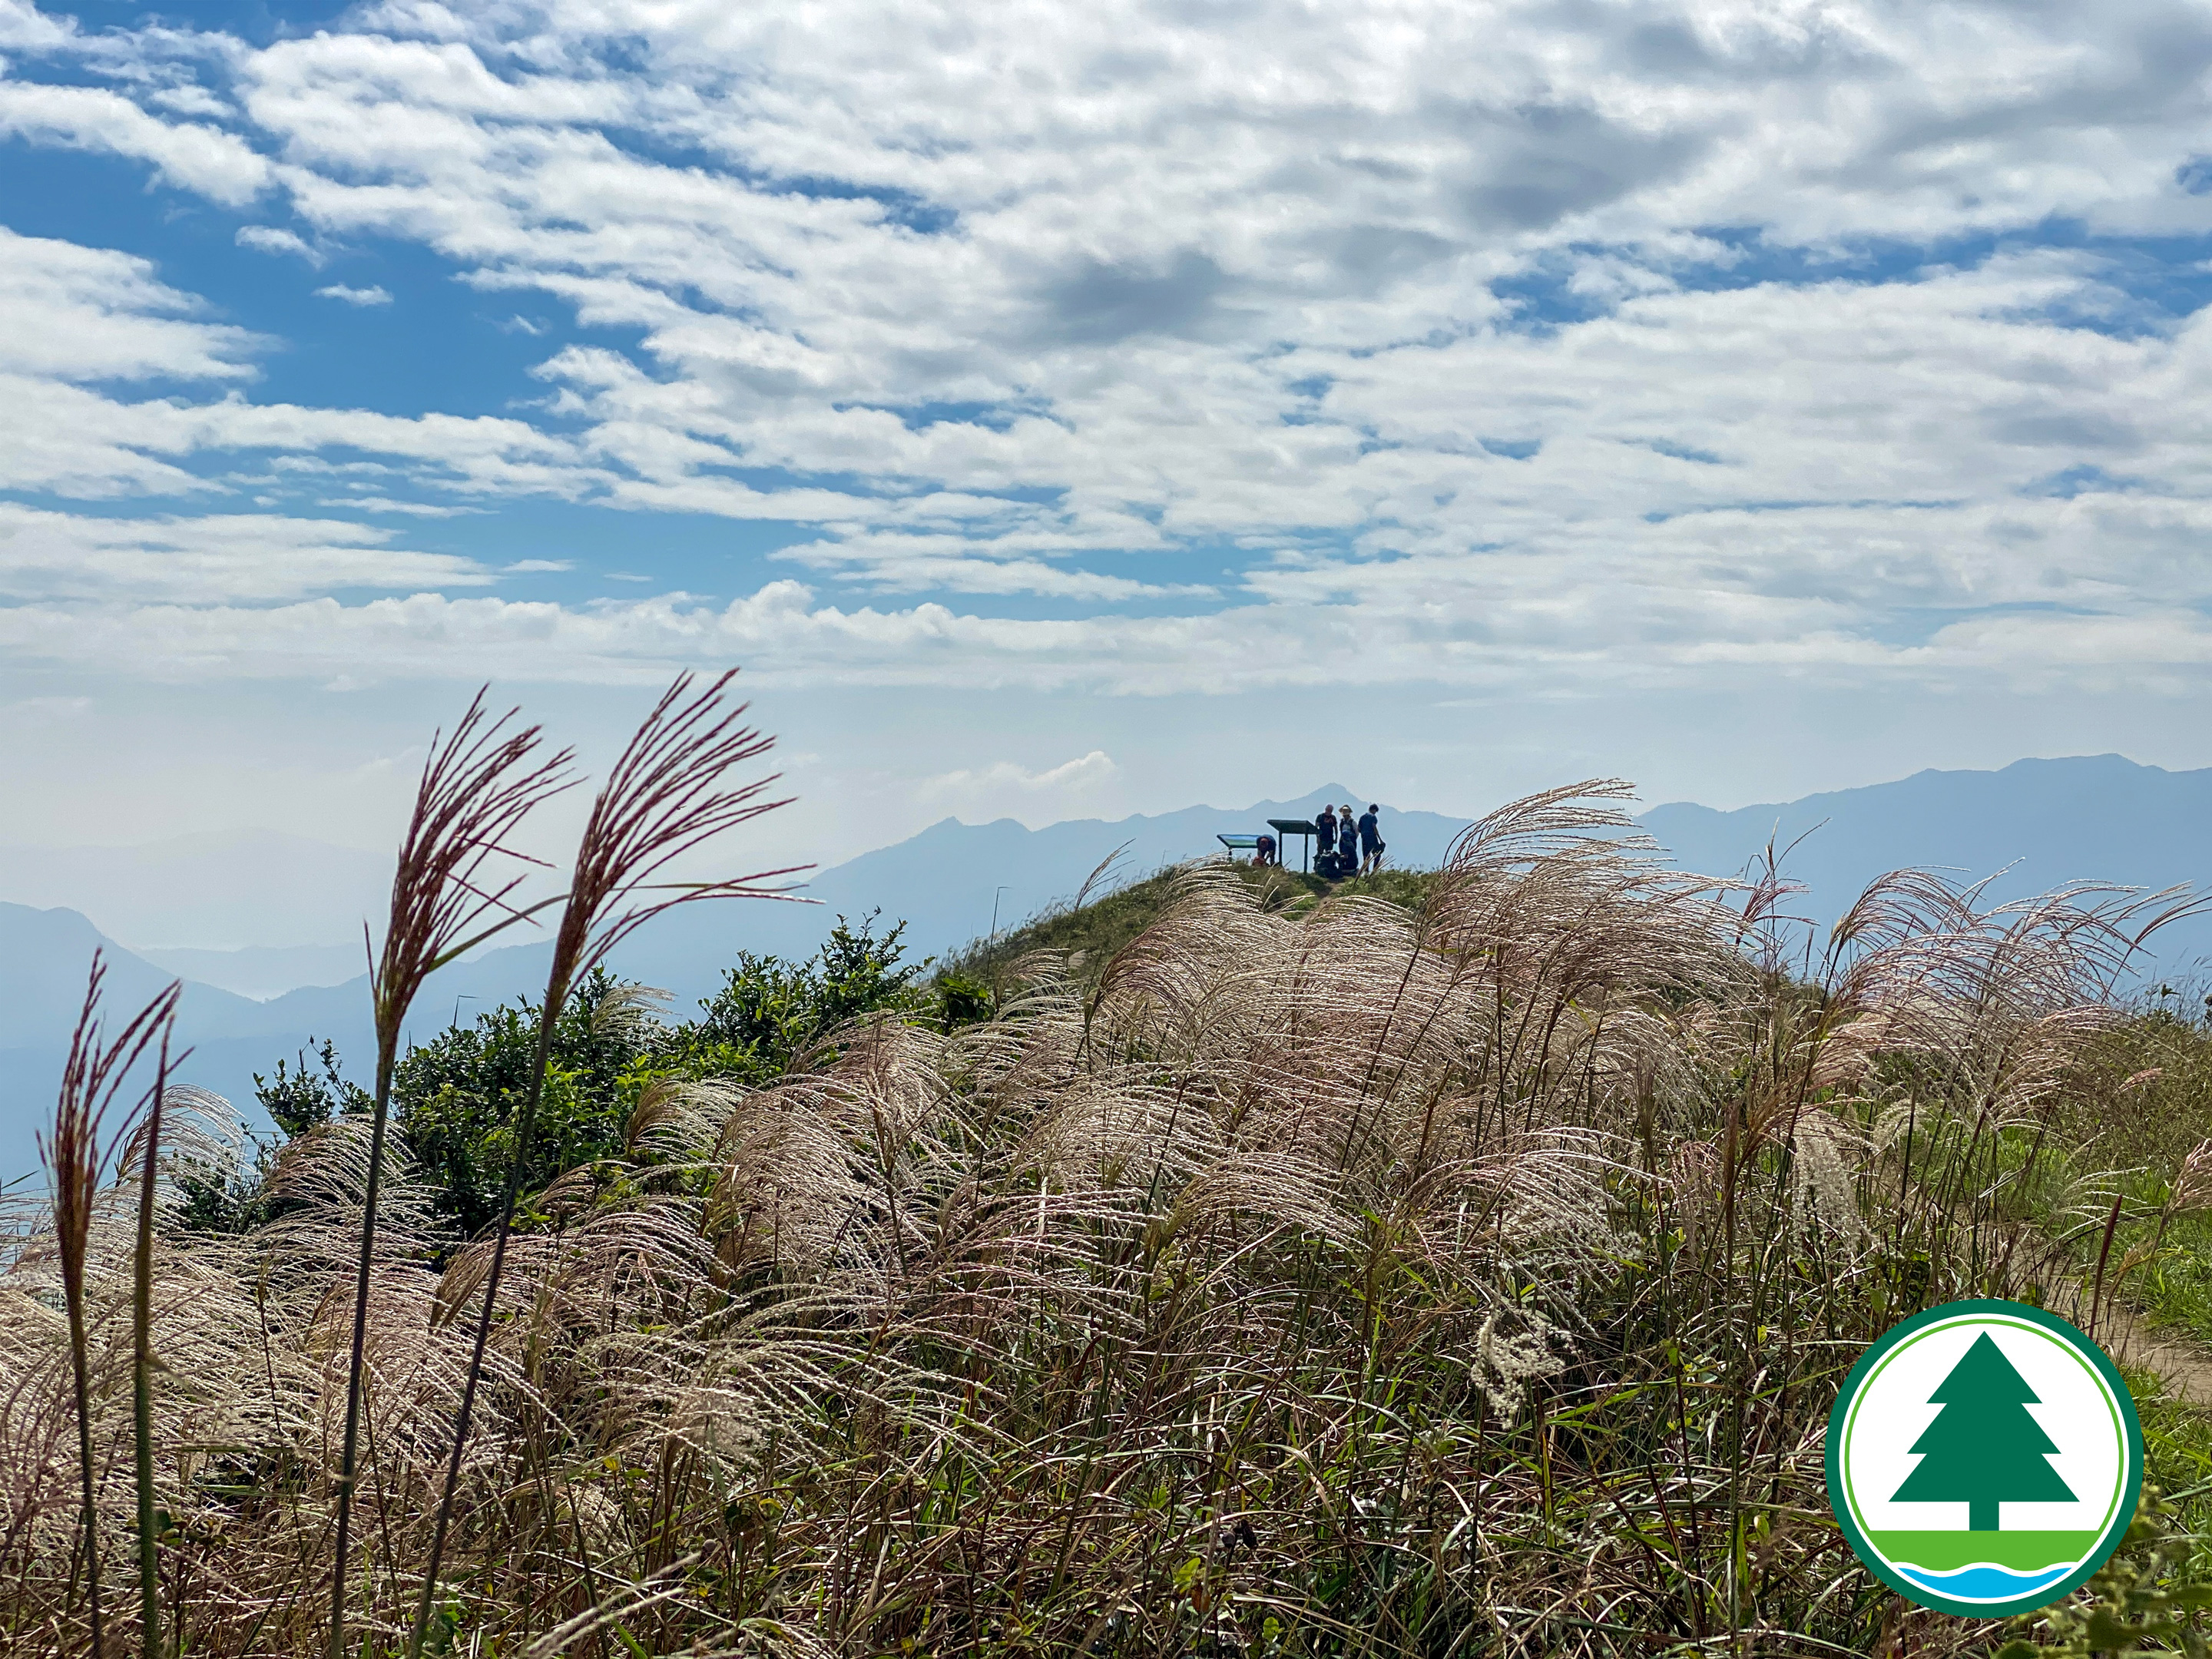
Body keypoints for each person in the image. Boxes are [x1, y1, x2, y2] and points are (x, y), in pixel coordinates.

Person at [1359, 803, 1384, 875]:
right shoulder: (1373, 817)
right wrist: (1380, 839)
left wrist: (1364, 834)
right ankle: (1374, 872)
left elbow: (1359, 828)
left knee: (1366, 856)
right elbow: (1374, 827)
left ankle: (1366, 872)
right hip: (1372, 837)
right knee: (1377, 854)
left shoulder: (1362, 817)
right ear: (1374, 810)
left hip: (1364, 838)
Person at [1316, 804, 1337, 871]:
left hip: (1330, 838)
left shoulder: (1333, 818)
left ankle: (1329, 868)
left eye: (1330, 810)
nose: (1329, 811)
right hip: (1322, 838)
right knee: (1320, 853)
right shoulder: (1320, 817)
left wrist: (1336, 838)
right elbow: (1316, 827)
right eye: (1328, 810)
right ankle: (1317, 868)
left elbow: (1335, 828)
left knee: (1329, 854)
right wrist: (1318, 838)